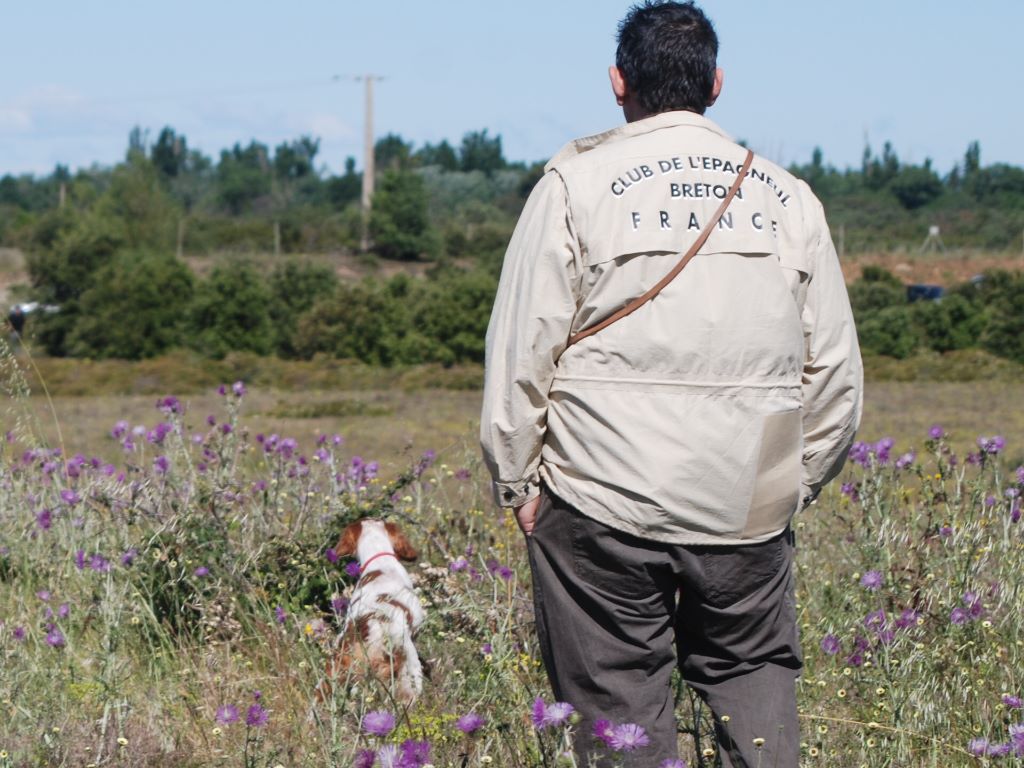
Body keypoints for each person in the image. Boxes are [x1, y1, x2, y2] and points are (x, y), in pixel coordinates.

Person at [480, 2, 863, 766]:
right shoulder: (789, 199)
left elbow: (521, 352)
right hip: (745, 507)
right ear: (716, 84)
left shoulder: (573, 185)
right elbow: (836, 382)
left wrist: (519, 484)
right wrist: (786, 487)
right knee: (754, 681)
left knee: (617, 703)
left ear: (618, 83)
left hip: (598, 497)